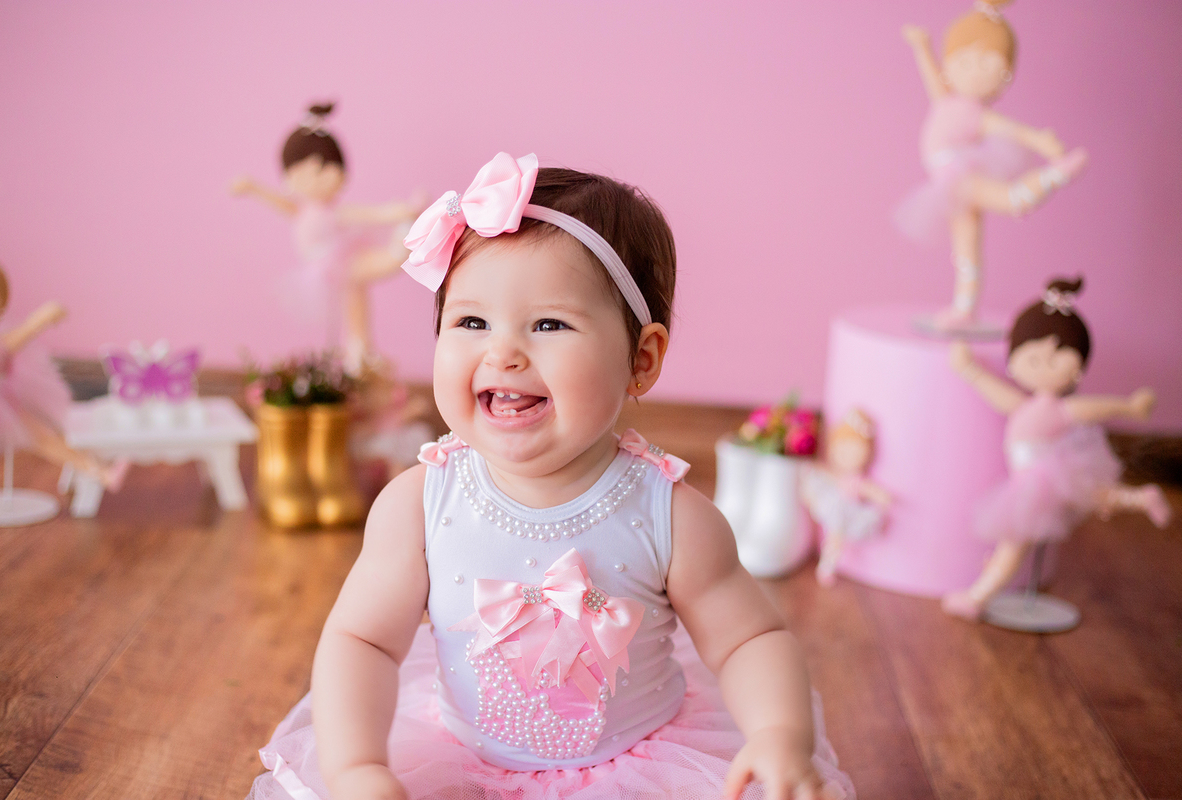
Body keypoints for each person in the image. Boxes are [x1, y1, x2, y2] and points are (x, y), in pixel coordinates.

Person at [247, 153, 854, 800]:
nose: (503, 352)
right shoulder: (420, 504)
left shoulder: (670, 515)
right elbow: (361, 641)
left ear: (640, 361)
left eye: (549, 324)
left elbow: (750, 639)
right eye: (472, 321)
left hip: (639, 763)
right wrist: (357, 769)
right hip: (456, 756)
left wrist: (779, 733)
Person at [943, 277, 1171, 620]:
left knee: (1014, 543)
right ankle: (1141, 498)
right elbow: (993, 391)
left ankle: (977, 597)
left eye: (1055, 357)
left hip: (1037, 482)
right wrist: (967, 367)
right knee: (1094, 496)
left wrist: (1129, 408)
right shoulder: (1025, 405)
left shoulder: (1057, 410)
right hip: (1045, 474)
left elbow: (1094, 407)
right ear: (1014, 360)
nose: (1043, 365)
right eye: (1032, 357)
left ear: (1077, 369)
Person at [897, 0, 1088, 330]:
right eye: (966, 60)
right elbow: (930, 74)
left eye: (987, 63)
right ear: (950, 64)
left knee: (1011, 200)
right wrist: (922, 47)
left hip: (959, 178)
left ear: (1005, 76)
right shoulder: (945, 99)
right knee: (966, 248)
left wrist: (1041, 142)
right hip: (948, 185)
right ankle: (964, 308)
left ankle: (1055, 176)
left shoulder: (977, 115)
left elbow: (1014, 130)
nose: (975, 71)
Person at [230, 103, 420, 375]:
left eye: (333, 168)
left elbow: (370, 213)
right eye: (318, 170)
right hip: (330, 267)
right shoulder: (304, 210)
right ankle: (401, 246)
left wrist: (396, 210)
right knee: (356, 293)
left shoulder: (333, 211)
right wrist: (252, 188)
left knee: (356, 299)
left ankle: (359, 350)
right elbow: (280, 202)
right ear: (293, 176)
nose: (331, 176)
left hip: (340, 260)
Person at [0, 253, 125, 487]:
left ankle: (97, 469)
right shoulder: (0, 345)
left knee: (44, 438)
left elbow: (23, 334)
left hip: (2, 402)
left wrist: (43, 318)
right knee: (44, 438)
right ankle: (97, 468)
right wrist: (42, 318)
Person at [800, 409, 892, 588]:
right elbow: (819, 474)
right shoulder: (835, 475)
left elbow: (870, 490)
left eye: (854, 450)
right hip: (834, 507)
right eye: (843, 448)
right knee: (834, 535)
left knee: (836, 536)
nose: (847, 455)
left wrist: (880, 495)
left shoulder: (856, 481)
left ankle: (828, 565)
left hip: (847, 511)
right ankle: (827, 563)